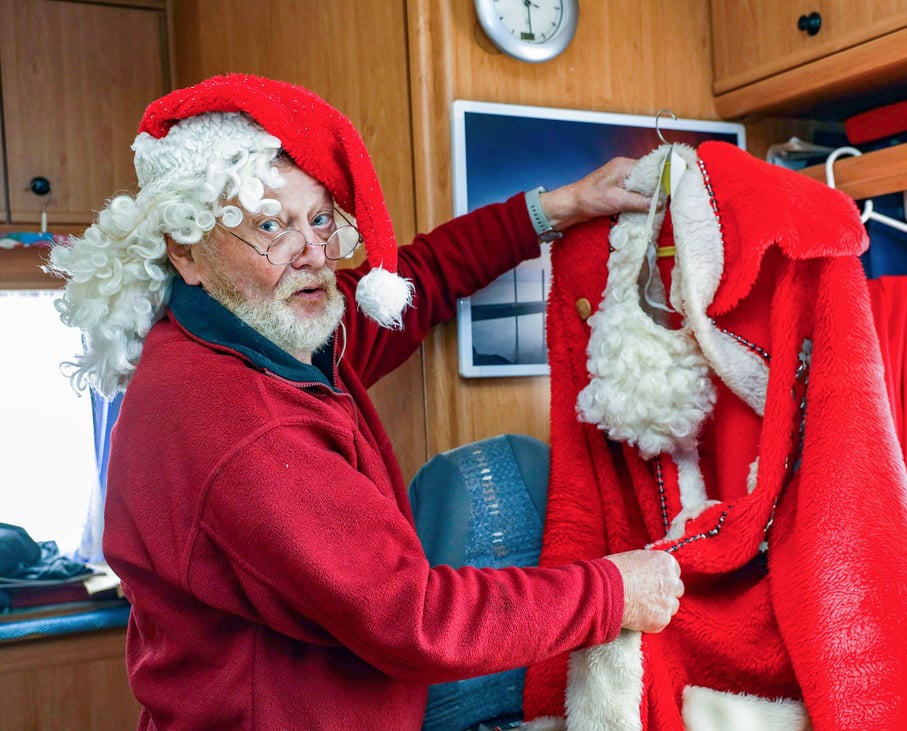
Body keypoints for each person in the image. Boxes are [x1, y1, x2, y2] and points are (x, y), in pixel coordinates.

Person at [46, 74, 684, 730]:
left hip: (361, 688)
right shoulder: (241, 428)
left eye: (320, 218)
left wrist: (561, 206)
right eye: (271, 225)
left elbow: (421, 279)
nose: (314, 255)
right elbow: (414, 617)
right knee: (509, 475)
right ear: (187, 253)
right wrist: (618, 589)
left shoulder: (268, 323)